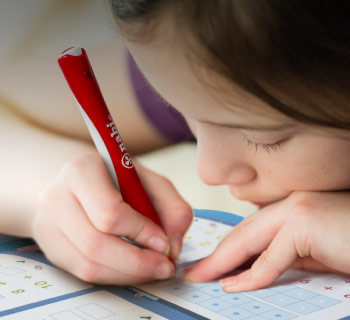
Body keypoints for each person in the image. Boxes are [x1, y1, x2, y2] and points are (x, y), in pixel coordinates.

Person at [1, 0, 349, 292]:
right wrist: (53, 191)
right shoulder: (198, 47)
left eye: (264, 137)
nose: (207, 172)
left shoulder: (275, 48)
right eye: (180, 111)